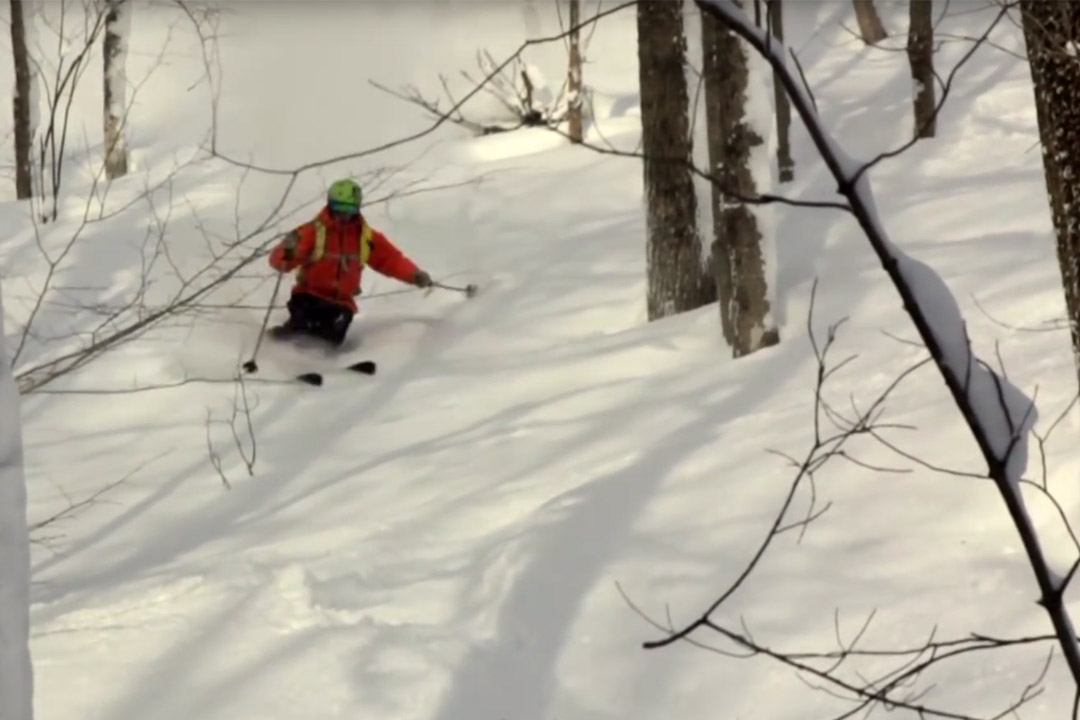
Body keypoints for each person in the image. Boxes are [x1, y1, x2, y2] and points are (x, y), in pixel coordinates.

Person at [267, 178, 433, 346]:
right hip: (309, 296)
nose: (344, 215)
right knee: (301, 333)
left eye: (349, 209)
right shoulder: (312, 232)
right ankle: (277, 352)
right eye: (339, 208)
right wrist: (287, 251)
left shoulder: (365, 237)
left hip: (341, 305)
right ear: (330, 205)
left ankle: (319, 359)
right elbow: (278, 262)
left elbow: (391, 259)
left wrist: (414, 275)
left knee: (326, 341)